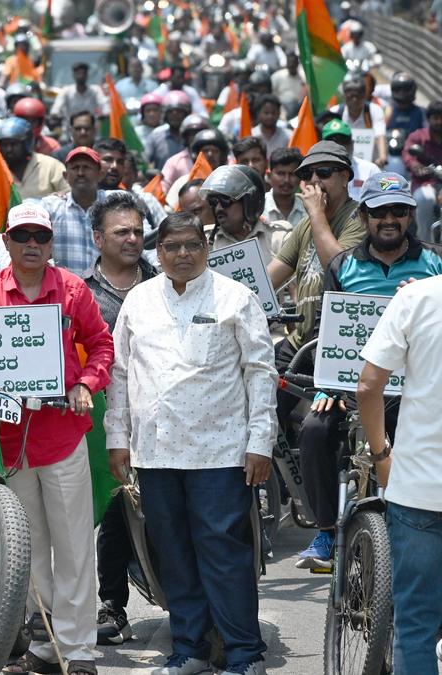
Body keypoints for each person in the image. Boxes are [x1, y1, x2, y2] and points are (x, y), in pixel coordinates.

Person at [106, 211, 278, 675]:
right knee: (173, 555)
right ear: (158, 252)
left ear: (206, 248)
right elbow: (120, 374)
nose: (183, 254)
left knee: (224, 554)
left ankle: (244, 655)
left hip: (220, 452)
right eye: (172, 246)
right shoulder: (139, 300)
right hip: (155, 452)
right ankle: (190, 650)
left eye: (192, 245)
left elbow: (261, 372)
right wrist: (117, 437)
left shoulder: (235, 297)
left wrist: (260, 441)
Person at [0, 203, 113, 675]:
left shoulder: (72, 290)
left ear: (51, 244)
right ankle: (46, 643)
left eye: (40, 237)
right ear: (6, 241)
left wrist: (86, 384)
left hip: (62, 436)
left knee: (73, 548)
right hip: (7, 440)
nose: (32, 244)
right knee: (24, 548)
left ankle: (79, 650)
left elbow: (102, 345)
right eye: (22, 235)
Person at [295, 172, 442, 571]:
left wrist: (420, 301)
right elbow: (326, 328)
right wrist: (327, 385)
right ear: (363, 216)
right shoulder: (343, 265)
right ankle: (326, 531)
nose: (389, 219)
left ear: (410, 215)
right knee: (314, 430)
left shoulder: (435, 262)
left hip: (416, 387)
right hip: (351, 384)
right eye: (380, 212)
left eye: (398, 211)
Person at [81, 192, 158, 647]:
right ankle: (112, 604)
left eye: (137, 231)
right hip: (104, 424)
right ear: (98, 238)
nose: (132, 239)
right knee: (113, 513)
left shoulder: (166, 283)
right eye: (121, 232)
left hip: (163, 419)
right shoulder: (80, 293)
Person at [357, 274, 442, 675]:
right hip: (418, 490)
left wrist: (380, 454)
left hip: (419, 487)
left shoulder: (416, 298)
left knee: (415, 624)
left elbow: (368, 386)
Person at [266, 140, 365, 416]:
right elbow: (270, 278)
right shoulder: (305, 225)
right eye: (307, 174)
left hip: (336, 346)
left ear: (344, 177)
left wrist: (316, 214)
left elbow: (339, 270)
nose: (314, 181)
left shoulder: (358, 218)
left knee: (317, 428)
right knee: (255, 400)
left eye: (323, 172)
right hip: (300, 341)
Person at [38, 147, 120, 272]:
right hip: (65, 285)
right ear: (65, 176)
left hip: (108, 284)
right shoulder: (50, 207)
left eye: (86, 167)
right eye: (75, 168)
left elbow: (143, 238)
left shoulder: (116, 203)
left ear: (100, 175)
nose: (80, 173)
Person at [202, 164, 284, 263]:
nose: (218, 208)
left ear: (251, 202)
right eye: (214, 201)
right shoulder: (203, 241)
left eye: (225, 200)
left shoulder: (279, 238)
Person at [0, 117, 69, 201]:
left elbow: (69, 193)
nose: (9, 149)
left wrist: (53, 199)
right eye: (4, 145)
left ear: (26, 144)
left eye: (14, 144)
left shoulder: (50, 166)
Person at [404, 100, 442, 237]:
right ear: (429, 119)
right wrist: (415, 165)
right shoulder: (418, 136)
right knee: (424, 199)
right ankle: (424, 242)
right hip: (424, 183)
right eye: (436, 118)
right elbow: (408, 153)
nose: (439, 121)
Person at [332, 74, 387, 167]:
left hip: (371, 164)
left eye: (358, 96)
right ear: (344, 96)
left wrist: (382, 157)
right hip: (342, 164)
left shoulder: (374, 110)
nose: (354, 100)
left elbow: (379, 136)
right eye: (351, 96)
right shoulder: (335, 112)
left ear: (365, 96)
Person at [321, 119, 380, 202]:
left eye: (343, 140)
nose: (339, 146)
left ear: (352, 143)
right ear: (322, 146)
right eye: (333, 142)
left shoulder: (370, 170)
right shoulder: (316, 173)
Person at [147, 93, 195, 172]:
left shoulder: (193, 137)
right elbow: (146, 163)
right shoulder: (155, 137)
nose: (174, 115)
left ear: (186, 113)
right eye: (171, 112)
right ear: (165, 115)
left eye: (179, 112)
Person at [264, 147, 308, 226]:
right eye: (281, 173)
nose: (286, 180)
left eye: (292, 174)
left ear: (300, 177)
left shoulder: (308, 209)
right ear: (269, 176)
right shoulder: (259, 207)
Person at [272, 52, 307, 120]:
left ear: (297, 64)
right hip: (282, 107)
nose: (291, 65)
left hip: (298, 107)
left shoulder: (303, 77)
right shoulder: (277, 76)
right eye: (289, 63)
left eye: (293, 63)